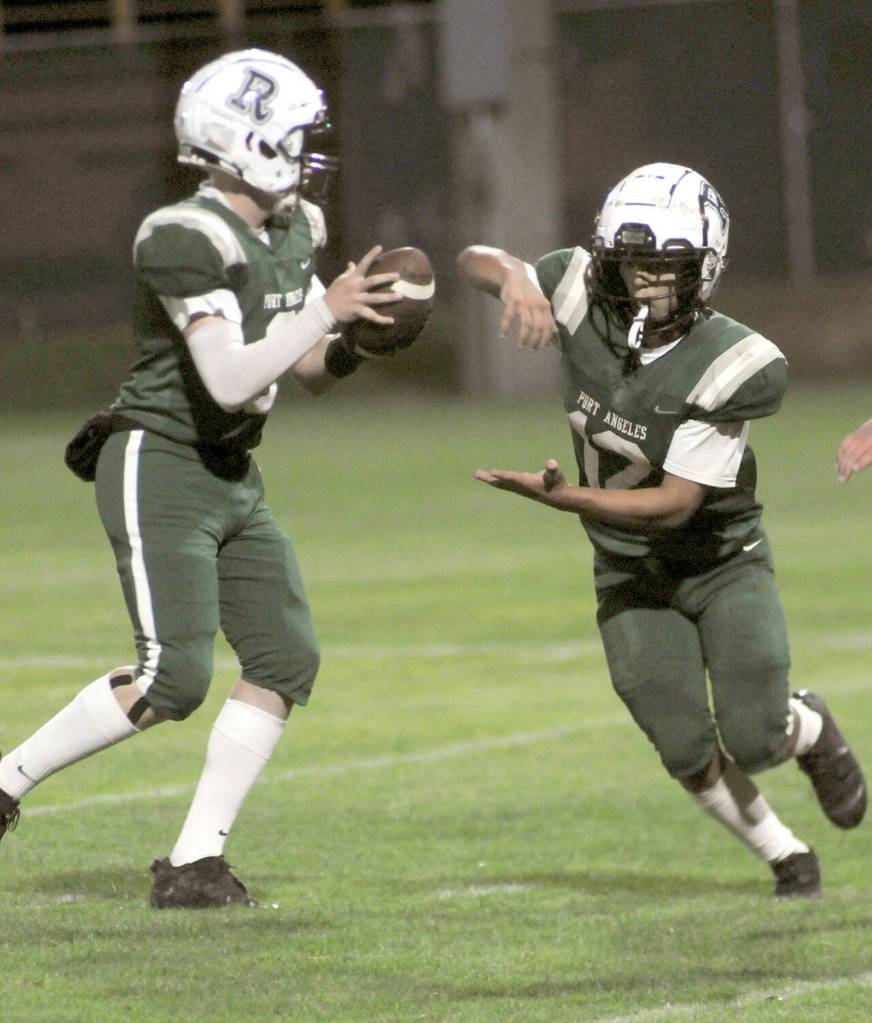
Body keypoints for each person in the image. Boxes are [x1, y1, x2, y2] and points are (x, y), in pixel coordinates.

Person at [0, 49, 411, 908]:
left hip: (230, 470)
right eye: (294, 137)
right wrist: (323, 310)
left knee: (285, 656)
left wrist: (356, 343)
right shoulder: (182, 235)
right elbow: (226, 377)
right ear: (246, 142)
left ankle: (195, 863)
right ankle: (6, 782)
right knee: (173, 678)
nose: (307, 155)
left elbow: (300, 367)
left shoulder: (296, 227)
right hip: (159, 459)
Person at [458, 162, 866, 897]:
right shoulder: (578, 288)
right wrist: (515, 277)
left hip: (719, 561)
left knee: (755, 736)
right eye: (634, 259)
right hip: (628, 570)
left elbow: (677, 503)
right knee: (679, 740)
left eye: (668, 264)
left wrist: (569, 499)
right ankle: (784, 853)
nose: (648, 277)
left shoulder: (735, 361)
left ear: (704, 267)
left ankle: (806, 727)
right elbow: (474, 259)